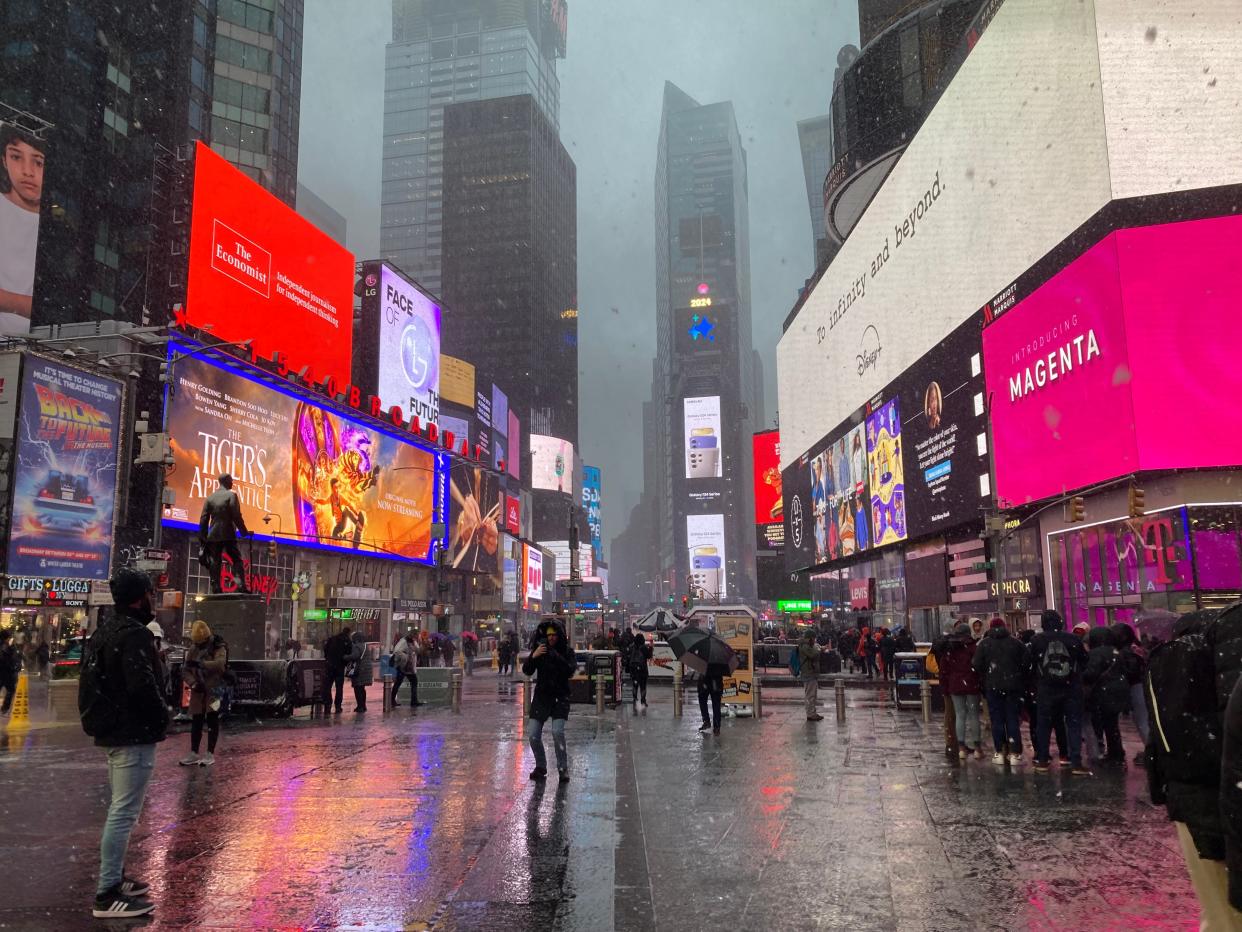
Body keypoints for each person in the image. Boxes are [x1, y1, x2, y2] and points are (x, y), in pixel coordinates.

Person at [79, 569, 167, 919]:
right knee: (123, 812)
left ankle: (114, 878)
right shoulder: (134, 635)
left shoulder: (107, 630)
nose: (154, 600)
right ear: (140, 596)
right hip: (132, 733)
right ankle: (107, 893)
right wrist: (163, 715)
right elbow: (142, 686)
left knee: (121, 808)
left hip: (115, 731)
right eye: (151, 593)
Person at [1148, 608, 1242, 928]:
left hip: (1189, 798)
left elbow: (1158, 744)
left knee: (1218, 915)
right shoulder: (1230, 638)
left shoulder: (1177, 667)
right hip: (1223, 800)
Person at [1028, 610, 1090, 775]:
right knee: (1073, 724)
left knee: (1044, 725)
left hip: (1046, 688)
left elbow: (1029, 664)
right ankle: (1075, 760)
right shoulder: (1073, 639)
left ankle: (1042, 760)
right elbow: (1084, 661)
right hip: (1071, 688)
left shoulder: (1036, 640)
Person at [0, 124, 45, 330]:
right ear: (4, 160)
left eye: (38, 162)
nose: (28, 172)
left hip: (34, 346)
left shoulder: (59, 229)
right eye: (16, 157)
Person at [523, 619, 574, 783]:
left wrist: (555, 655)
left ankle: (562, 768)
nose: (551, 638)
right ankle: (541, 766)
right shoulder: (540, 650)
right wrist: (533, 656)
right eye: (549, 635)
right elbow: (527, 670)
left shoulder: (567, 651)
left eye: (554, 635)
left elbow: (569, 670)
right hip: (542, 697)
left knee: (557, 732)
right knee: (533, 735)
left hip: (560, 697)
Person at [972, 617, 1027, 765]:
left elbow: (976, 665)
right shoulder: (1016, 643)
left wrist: (988, 675)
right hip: (1013, 687)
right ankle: (1015, 752)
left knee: (996, 719)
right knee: (1012, 719)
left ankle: (1000, 751)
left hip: (992, 687)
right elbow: (1026, 663)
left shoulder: (984, 644)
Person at [179, 621, 229, 766]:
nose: (199, 646)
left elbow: (220, 665)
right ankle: (194, 752)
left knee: (213, 719)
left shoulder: (218, 646)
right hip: (198, 690)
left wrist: (202, 664)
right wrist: (193, 683)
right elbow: (185, 669)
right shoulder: (194, 648)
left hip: (215, 690)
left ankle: (210, 753)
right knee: (197, 721)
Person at [198, 474, 253, 595]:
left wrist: (203, 538)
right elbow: (236, 516)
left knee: (215, 561)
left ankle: (215, 587)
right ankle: (240, 585)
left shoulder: (210, 498)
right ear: (227, 481)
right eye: (231, 481)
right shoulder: (231, 495)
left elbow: (203, 519)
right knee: (236, 559)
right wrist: (243, 531)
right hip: (228, 533)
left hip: (213, 535)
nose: (232, 483)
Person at [1083, 625, 1130, 765]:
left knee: (1107, 723)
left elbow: (1091, 673)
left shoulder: (1096, 653)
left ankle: (1114, 754)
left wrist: (1081, 676)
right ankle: (1117, 752)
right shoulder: (1117, 651)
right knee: (1113, 724)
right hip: (1119, 690)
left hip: (1104, 692)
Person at [940, 621, 983, 759]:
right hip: (971, 685)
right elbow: (978, 666)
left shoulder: (950, 648)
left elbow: (943, 669)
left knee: (960, 715)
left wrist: (945, 686)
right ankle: (977, 748)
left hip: (955, 685)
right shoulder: (973, 647)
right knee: (974, 715)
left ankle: (961, 748)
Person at [1112, 622, 1150, 764]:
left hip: (1136, 687)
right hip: (1141, 685)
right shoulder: (1135, 649)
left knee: (1142, 721)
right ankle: (1151, 750)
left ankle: (1151, 751)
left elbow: (1132, 671)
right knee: (1142, 720)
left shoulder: (1126, 652)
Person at [322, 627, 352, 713]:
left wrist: (328, 658)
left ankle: (327, 704)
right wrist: (345, 663)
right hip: (339, 667)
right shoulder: (347, 641)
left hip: (330, 665)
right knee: (339, 687)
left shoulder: (332, 639)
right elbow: (348, 654)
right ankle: (338, 706)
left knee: (328, 686)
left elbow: (325, 649)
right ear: (348, 633)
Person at [798, 629, 823, 721]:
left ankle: (812, 712)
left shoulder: (807, 645)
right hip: (808, 673)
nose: (815, 640)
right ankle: (810, 714)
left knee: (812, 694)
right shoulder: (805, 646)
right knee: (810, 695)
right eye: (814, 638)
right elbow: (814, 654)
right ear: (810, 638)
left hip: (810, 672)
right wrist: (819, 648)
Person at [391, 632, 421, 707]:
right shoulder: (404, 642)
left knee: (410, 682)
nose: (415, 638)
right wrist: (406, 657)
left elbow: (418, 651)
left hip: (409, 667)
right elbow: (397, 651)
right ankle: (392, 700)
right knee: (399, 683)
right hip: (403, 666)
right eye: (415, 636)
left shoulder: (413, 642)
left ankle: (413, 701)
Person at [348, 630, 372, 712]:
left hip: (359, 669)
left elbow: (355, 656)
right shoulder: (365, 646)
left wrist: (345, 657)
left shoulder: (356, 646)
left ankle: (360, 706)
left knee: (357, 687)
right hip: (367, 669)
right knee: (362, 688)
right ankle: (363, 705)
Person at [627, 628, 652, 709]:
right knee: (643, 686)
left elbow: (628, 657)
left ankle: (634, 698)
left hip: (633, 669)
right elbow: (649, 656)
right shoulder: (644, 647)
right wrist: (651, 647)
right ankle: (643, 700)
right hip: (642, 669)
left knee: (635, 685)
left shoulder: (631, 647)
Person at [698, 665, 726, 736]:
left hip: (710, 680)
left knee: (712, 703)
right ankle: (713, 725)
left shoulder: (705, 656)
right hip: (711, 680)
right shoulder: (720, 657)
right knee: (709, 702)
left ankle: (712, 724)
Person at [0, 629, 19, 713]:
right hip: (6, 672)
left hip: (4, 672)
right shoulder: (6, 646)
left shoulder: (4, 645)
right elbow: (8, 659)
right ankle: (5, 708)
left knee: (10, 689)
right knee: (11, 689)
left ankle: (5, 708)